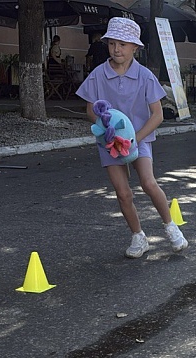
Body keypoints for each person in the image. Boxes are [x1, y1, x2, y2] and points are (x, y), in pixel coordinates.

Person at [76, 17, 187, 258]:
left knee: (148, 183)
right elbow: (89, 109)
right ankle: (138, 236)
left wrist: (135, 138)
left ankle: (170, 226)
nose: (117, 49)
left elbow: (157, 115)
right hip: (109, 142)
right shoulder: (98, 75)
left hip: (140, 138)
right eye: (112, 43)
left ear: (135, 47)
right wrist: (106, 130)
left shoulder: (145, 76)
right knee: (123, 192)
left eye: (123, 44)